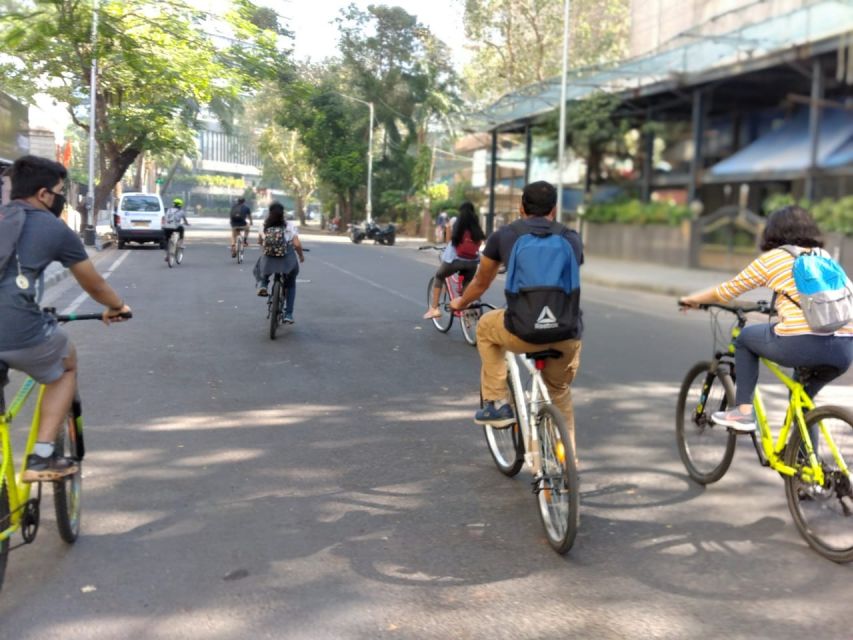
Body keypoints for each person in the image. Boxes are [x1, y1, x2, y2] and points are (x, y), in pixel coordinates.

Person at [0, 155, 131, 481]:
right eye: (60, 192)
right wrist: (118, 307)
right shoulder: (52, 228)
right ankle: (41, 457)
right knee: (66, 364)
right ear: (44, 194)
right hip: (16, 328)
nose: (60, 199)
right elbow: (95, 284)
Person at [680, 205, 853, 432]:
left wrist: (692, 300)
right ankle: (805, 461)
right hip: (844, 347)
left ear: (773, 231)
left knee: (744, 339)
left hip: (801, 344)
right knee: (802, 400)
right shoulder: (823, 256)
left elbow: (727, 291)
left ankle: (742, 413)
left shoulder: (774, 258)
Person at [450, 181, 584, 448]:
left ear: (521, 207)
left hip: (522, 331)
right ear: (554, 209)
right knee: (559, 392)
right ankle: (567, 464)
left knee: (486, 327)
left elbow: (481, 283)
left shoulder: (505, 236)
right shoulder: (571, 237)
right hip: (566, 334)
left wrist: (460, 303)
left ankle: (498, 402)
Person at [423, 201, 485, 319]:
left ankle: (434, 309)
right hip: (472, 262)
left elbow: (449, 241)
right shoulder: (476, 226)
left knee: (439, 276)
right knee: (467, 283)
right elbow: (480, 242)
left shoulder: (455, 222)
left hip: (455, 260)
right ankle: (468, 307)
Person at [253, 202, 305, 324]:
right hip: (288, 260)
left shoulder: (264, 225)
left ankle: (263, 284)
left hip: (269, 260)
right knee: (291, 284)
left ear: (269, 212)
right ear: (283, 213)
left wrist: (263, 244)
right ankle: (288, 314)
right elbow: (297, 244)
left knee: (261, 263)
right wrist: (301, 256)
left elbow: (259, 241)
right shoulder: (289, 225)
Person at [162, 197, 190, 261]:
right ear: (181, 205)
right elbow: (185, 221)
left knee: (166, 240)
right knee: (182, 229)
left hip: (167, 227)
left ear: (173, 204)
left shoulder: (168, 210)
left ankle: (167, 254)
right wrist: (187, 224)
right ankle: (180, 243)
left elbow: (164, 218)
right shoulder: (181, 212)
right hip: (176, 227)